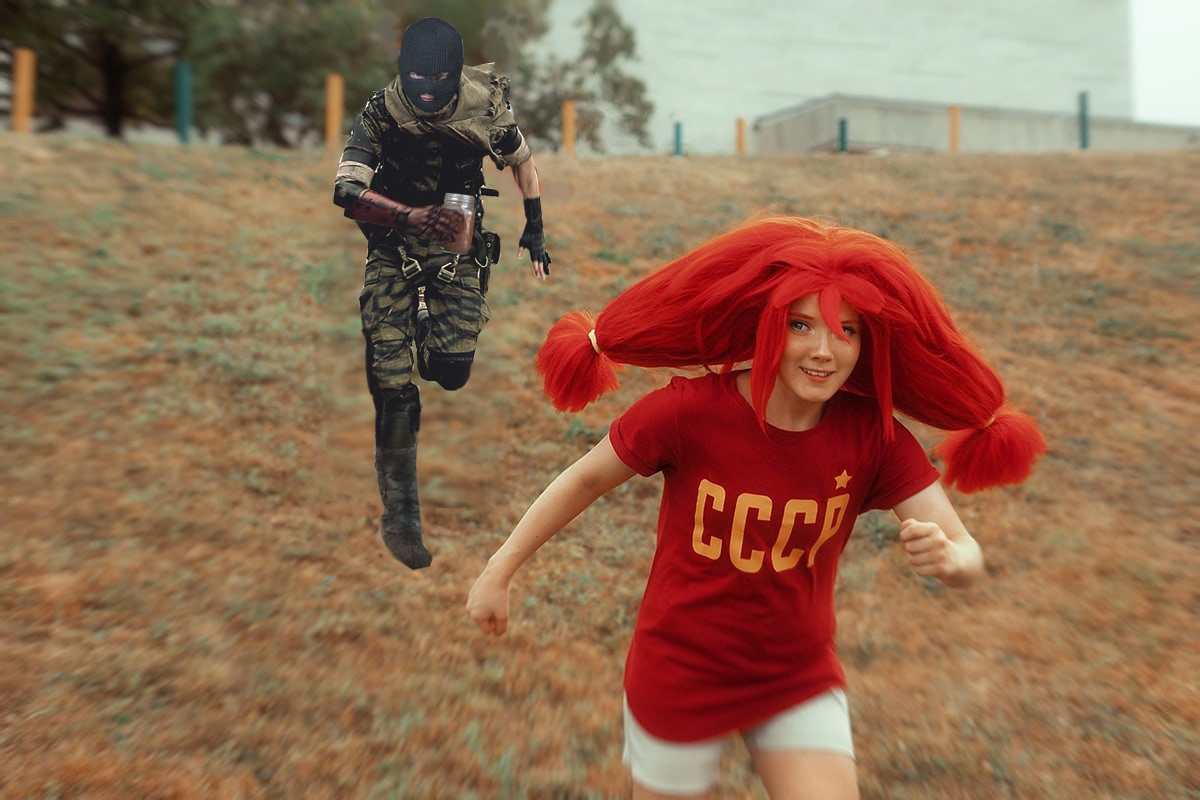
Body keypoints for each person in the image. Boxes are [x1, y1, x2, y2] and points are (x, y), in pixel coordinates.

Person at [466, 216, 1045, 799]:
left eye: (846, 330)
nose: (824, 351)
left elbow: (967, 553)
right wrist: (499, 569)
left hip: (797, 674)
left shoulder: (873, 437)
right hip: (680, 670)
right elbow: (584, 479)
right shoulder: (688, 412)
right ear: (769, 326)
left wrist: (953, 561)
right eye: (801, 325)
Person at [333, 17, 552, 570]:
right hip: (393, 247)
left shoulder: (485, 108)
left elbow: (523, 160)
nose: (426, 90)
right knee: (391, 384)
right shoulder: (382, 111)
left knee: (452, 372)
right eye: (416, 78)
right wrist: (409, 216)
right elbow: (347, 189)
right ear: (402, 71)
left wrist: (535, 227)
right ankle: (401, 518)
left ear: (455, 75)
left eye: (438, 79)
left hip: (457, 247)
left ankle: (431, 334)